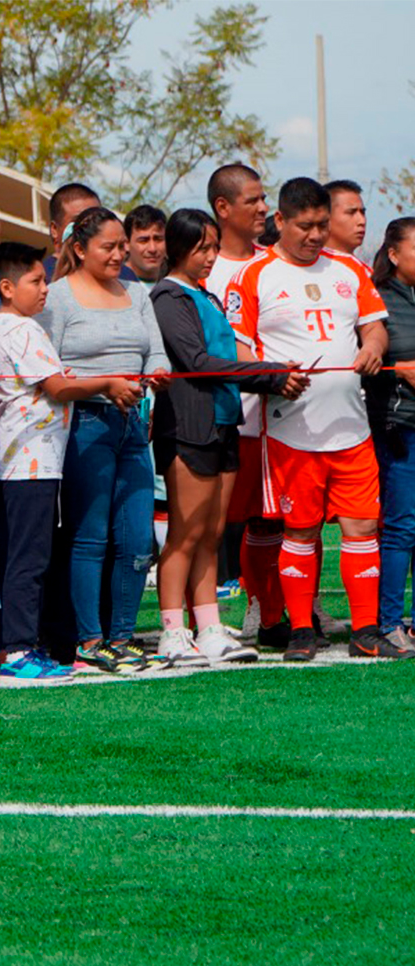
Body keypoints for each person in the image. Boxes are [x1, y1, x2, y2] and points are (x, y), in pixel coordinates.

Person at [226, 177, 396, 661]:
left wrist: (371, 348)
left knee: (362, 526)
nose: (316, 235)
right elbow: (239, 348)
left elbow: (375, 328)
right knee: (300, 530)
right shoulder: (255, 274)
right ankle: (300, 629)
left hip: (351, 426)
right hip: (289, 430)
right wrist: (273, 377)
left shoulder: (349, 268)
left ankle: (365, 631)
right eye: (306, 226)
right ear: (280, 221)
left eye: (323, 224)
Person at [150, 208, 309, 668]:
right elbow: (197, 363)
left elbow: (228, 360)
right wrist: (270, 374)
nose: (210, 257)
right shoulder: (168, 297)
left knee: (211, 533)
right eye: (201, 248)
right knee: (184, 532)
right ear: (178, 250)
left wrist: (276, 376)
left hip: (222, 422)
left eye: (214, 248)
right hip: (187, 426)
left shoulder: (209, 297)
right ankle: (172, 631)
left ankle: (209, 625)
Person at [0, 242, 135, 684]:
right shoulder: (20, 329)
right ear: (8, 287)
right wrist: (108, 382)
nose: (45, 289)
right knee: (28, 559)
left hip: (32, 459)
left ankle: (25, 645)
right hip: (28, 461)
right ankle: (17, 651)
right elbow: (56, 387)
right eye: (35, 281)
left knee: (31, 556)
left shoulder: (9, 326)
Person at [38, 206, 169, 672]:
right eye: (108, 247)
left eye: (121, 246)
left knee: (136, 538)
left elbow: (156, 350)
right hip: (83, 425)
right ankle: (89, 641)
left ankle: (124, 636)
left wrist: (155, 374)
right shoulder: (57, 297)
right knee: (90, 536)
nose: (119, 255)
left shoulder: (136, 293)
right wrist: (102, 384)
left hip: (133, 423)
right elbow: (45, 365)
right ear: (79, 248)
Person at [206, 162, 287, 647]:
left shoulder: (276, 262)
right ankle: (213, 616)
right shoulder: (205, 267)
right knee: (219, 522)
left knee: (276, 516)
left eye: (264, 199)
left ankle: (277, 604)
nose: (263, 208)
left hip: (279, 417)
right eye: (253, 200)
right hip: (225, 418)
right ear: (223, 208)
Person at [368, 218, 415, 649]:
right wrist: (396, 369)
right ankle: (389, 622)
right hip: (399, 428)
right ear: (395, 255)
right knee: (401, 526)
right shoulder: (377, 298)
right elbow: (365, 361)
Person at [124, 204, 167, 285]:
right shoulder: (113, 286)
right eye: (143, 241)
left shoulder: (175, 287)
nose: (152, 249)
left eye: (158, 239)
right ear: (126, 244)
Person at [325, 180, 368, 258]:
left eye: (362, 212)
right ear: (326, 219)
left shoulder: (364, 269)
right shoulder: (312, 266)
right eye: (351, 212)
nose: (362, 221)